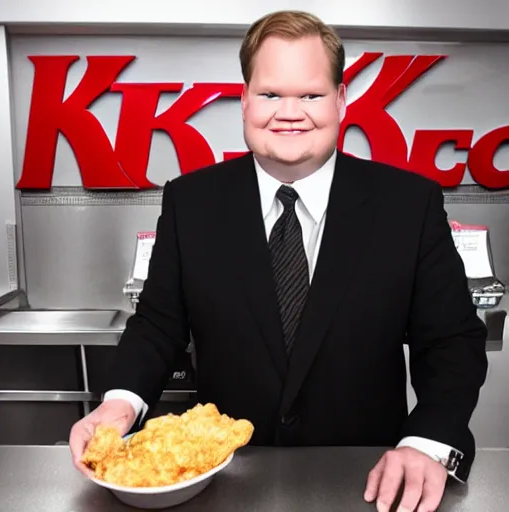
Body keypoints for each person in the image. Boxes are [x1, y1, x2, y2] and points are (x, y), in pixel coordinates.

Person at [70, 10, 488, 512]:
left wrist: (427, 444)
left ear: (340, 100)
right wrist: (120, 401)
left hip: (369, 481)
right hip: (226, 484)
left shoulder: (409, 204)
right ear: (244, 101)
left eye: (310, 95)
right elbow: (158, 326)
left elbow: (450, 343)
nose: (290, 112)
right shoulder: (190, 202)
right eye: (270, 94)